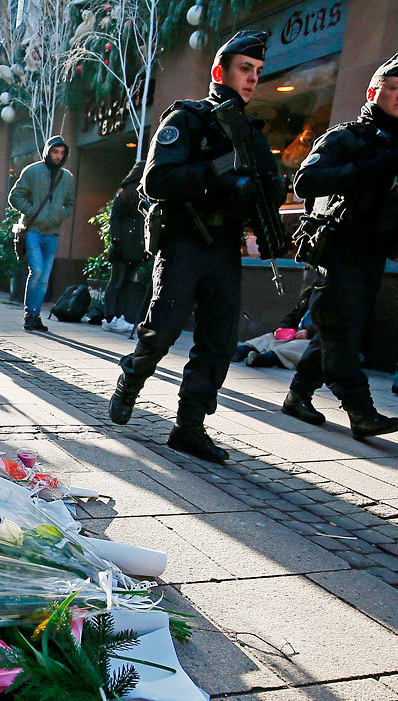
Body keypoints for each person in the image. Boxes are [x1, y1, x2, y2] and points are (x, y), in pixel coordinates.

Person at [107, 30, 283, 463]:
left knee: (218, 341)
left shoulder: (253, 133)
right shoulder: (187, 119)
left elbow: (269, 188)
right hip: (186, 238)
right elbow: (157, 180)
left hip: (226, 244)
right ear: (219, 72)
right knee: (163, 328)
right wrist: (219, 170)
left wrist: (263, 191)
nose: (252, 79)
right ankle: (132, 376)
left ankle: (190, 427)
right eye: (245, 69)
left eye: (258, 72)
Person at [280, 53, 398, 439]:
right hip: (339, 247)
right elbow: (306, 181)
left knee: (337, 329)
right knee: (342, 328)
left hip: (375, 249)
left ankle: (298, 395)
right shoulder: (347, 138)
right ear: (374, 91)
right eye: (393, 89)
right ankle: (360, 411)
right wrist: (367, 170)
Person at [8, 136, 76, 331]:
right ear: (48, 151)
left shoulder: (67, 177)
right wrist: (32, 211)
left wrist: (59, 215)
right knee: (36, 272)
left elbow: (70, 203)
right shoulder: (32, 171)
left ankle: (35, 315)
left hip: (52, 233)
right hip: (33, 230)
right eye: (55, 152)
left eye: (62, 153)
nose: (58, 156)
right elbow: (15, 196)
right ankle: (29, 313)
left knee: (44, 279)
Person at [102, 161, 149, 335]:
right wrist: (117, 240)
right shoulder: (129, 194)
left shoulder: (127, 193)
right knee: (121, 282)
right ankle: (111, 317)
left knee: (121, 282)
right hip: (130, 244)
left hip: (129, 244)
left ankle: (115, 316)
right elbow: (115, 219)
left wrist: (116, 240)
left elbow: (115, 218)